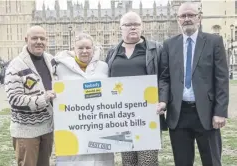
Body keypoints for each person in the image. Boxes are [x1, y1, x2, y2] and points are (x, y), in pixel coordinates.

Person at [157, 2, 229, 166]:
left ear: (199, 17)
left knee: (211, 161)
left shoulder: (214, 41)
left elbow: (222, 78)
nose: (187, 19)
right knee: (182, 162)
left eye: (191, 15)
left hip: (206, 113)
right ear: (178, 20)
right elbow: (164, 77)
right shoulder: (169, 44)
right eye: (183, 16)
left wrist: (220, 111)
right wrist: (163, 100)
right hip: (179, 114)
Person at [106, 11, 166, 166]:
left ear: (142, 27)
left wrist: (163, 101)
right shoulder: (112, 52)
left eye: (136, 24)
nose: (132, 27)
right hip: (122, 116)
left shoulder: (155, 49)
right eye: (128, 24)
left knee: (148, 161)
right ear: (120, 28)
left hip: (147, 115)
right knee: (128, 161)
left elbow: (164, 78)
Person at [54, 33, 114, 166]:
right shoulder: (60, 68)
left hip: (99, 121)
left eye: (88, 47)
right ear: (73, 49)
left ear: (93, 48)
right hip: (72, 122)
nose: (84, 51)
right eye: (80, 48)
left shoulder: (104, 67)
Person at [4, 26, 56, 166]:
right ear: (26, 40)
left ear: (47, 41)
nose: (39, 41)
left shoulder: (51, 60)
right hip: (26, 131)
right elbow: (14, 99)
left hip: (47, 128)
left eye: (42, 38)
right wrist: (43, 98)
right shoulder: (15, 66)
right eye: (34, 38)